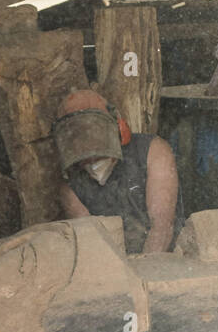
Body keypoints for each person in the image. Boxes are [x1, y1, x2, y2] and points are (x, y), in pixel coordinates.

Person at [53, 89, 181, 254]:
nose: (92, 159)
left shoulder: (153, 152)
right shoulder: (71, 186)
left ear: (118, 126)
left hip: (163, 260)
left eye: (94, 134)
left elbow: (162, 227)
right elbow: (93, 242)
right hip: (113, 263)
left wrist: (145, 272)